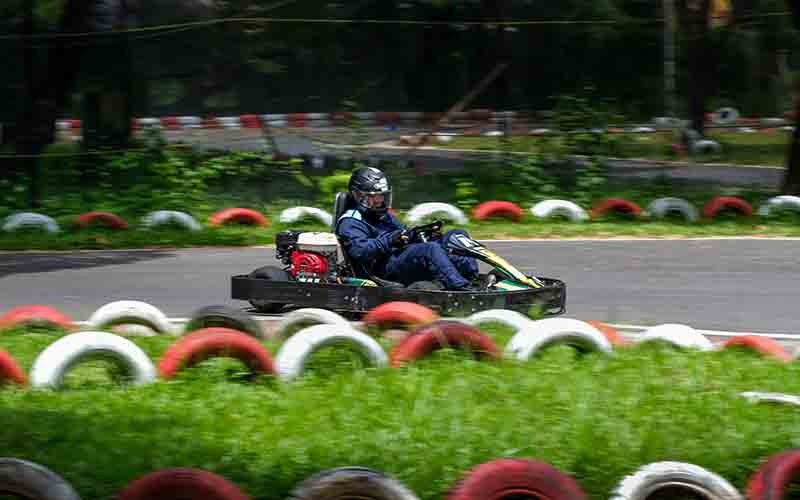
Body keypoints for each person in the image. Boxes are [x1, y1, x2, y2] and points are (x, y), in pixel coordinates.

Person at [335, 166, 480, 291]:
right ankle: (462, 288)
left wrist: (421, 234)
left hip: (398, 257)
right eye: (375, 196)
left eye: (382, 195)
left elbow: (403, 233)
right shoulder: (350, 221)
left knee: (455, 234)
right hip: (382, 270)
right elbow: (360, 251)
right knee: (430, 249)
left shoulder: (381, 214)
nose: (380, 200)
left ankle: (470, 278)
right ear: (358, 195)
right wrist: (390, 240)